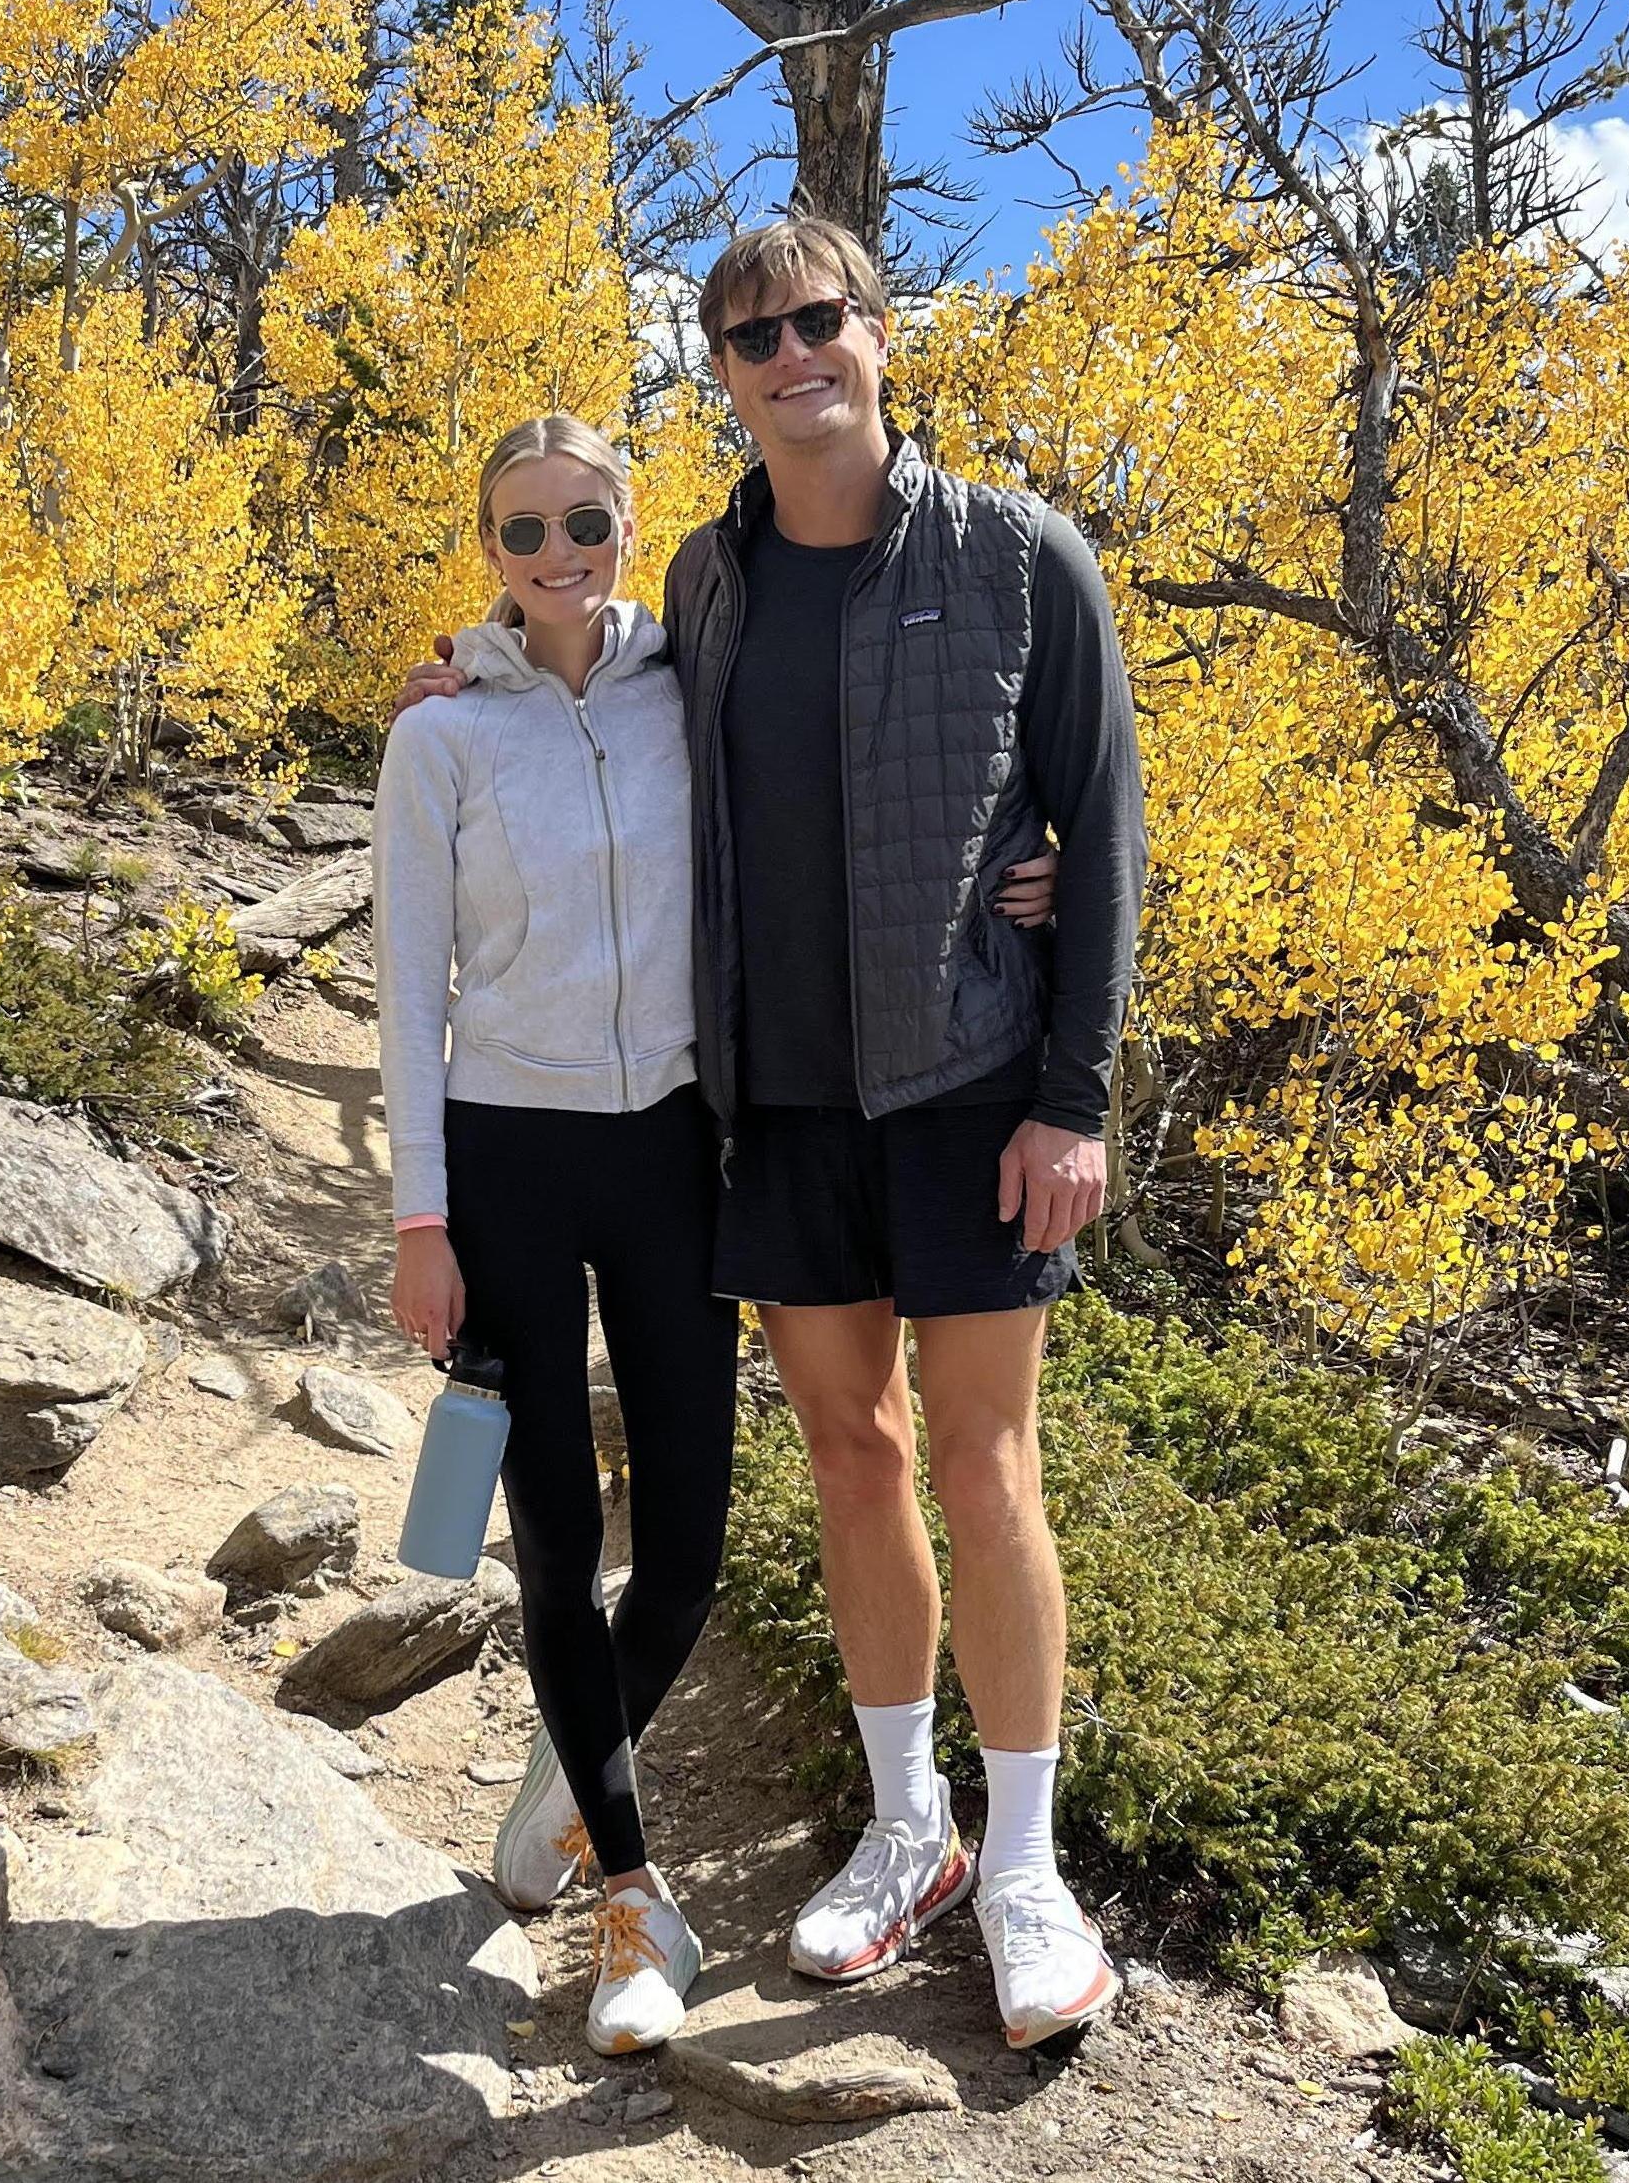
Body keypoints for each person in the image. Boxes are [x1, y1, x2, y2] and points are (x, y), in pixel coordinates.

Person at [399, 212, 1143, 2052]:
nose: (790, 353)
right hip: (777, 1108)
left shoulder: (1019, 555)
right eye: (751, 336)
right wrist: (459, 675)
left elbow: (1101, 830)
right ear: (718, 376)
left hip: (972, 1089)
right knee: (849, 1452)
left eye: (819, 320)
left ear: (879, 333)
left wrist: (1072, 1093)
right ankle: (908, 1835)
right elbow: (563, 690)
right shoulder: (703, 583)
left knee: (985, 1464)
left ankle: (1024, 1859)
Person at [371, 414, 741, 2058]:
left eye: (584, 518)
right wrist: (418, 1220)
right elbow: (404, 994)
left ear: (626, 516)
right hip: (509, 1162)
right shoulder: (439, 740)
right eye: (523, 531)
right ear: (491, 551)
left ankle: (562, 1780)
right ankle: (631, 1898)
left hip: (671, 1151)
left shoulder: (691, 694)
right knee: (548, 1539)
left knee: (686, 1552)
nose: (559, 553)